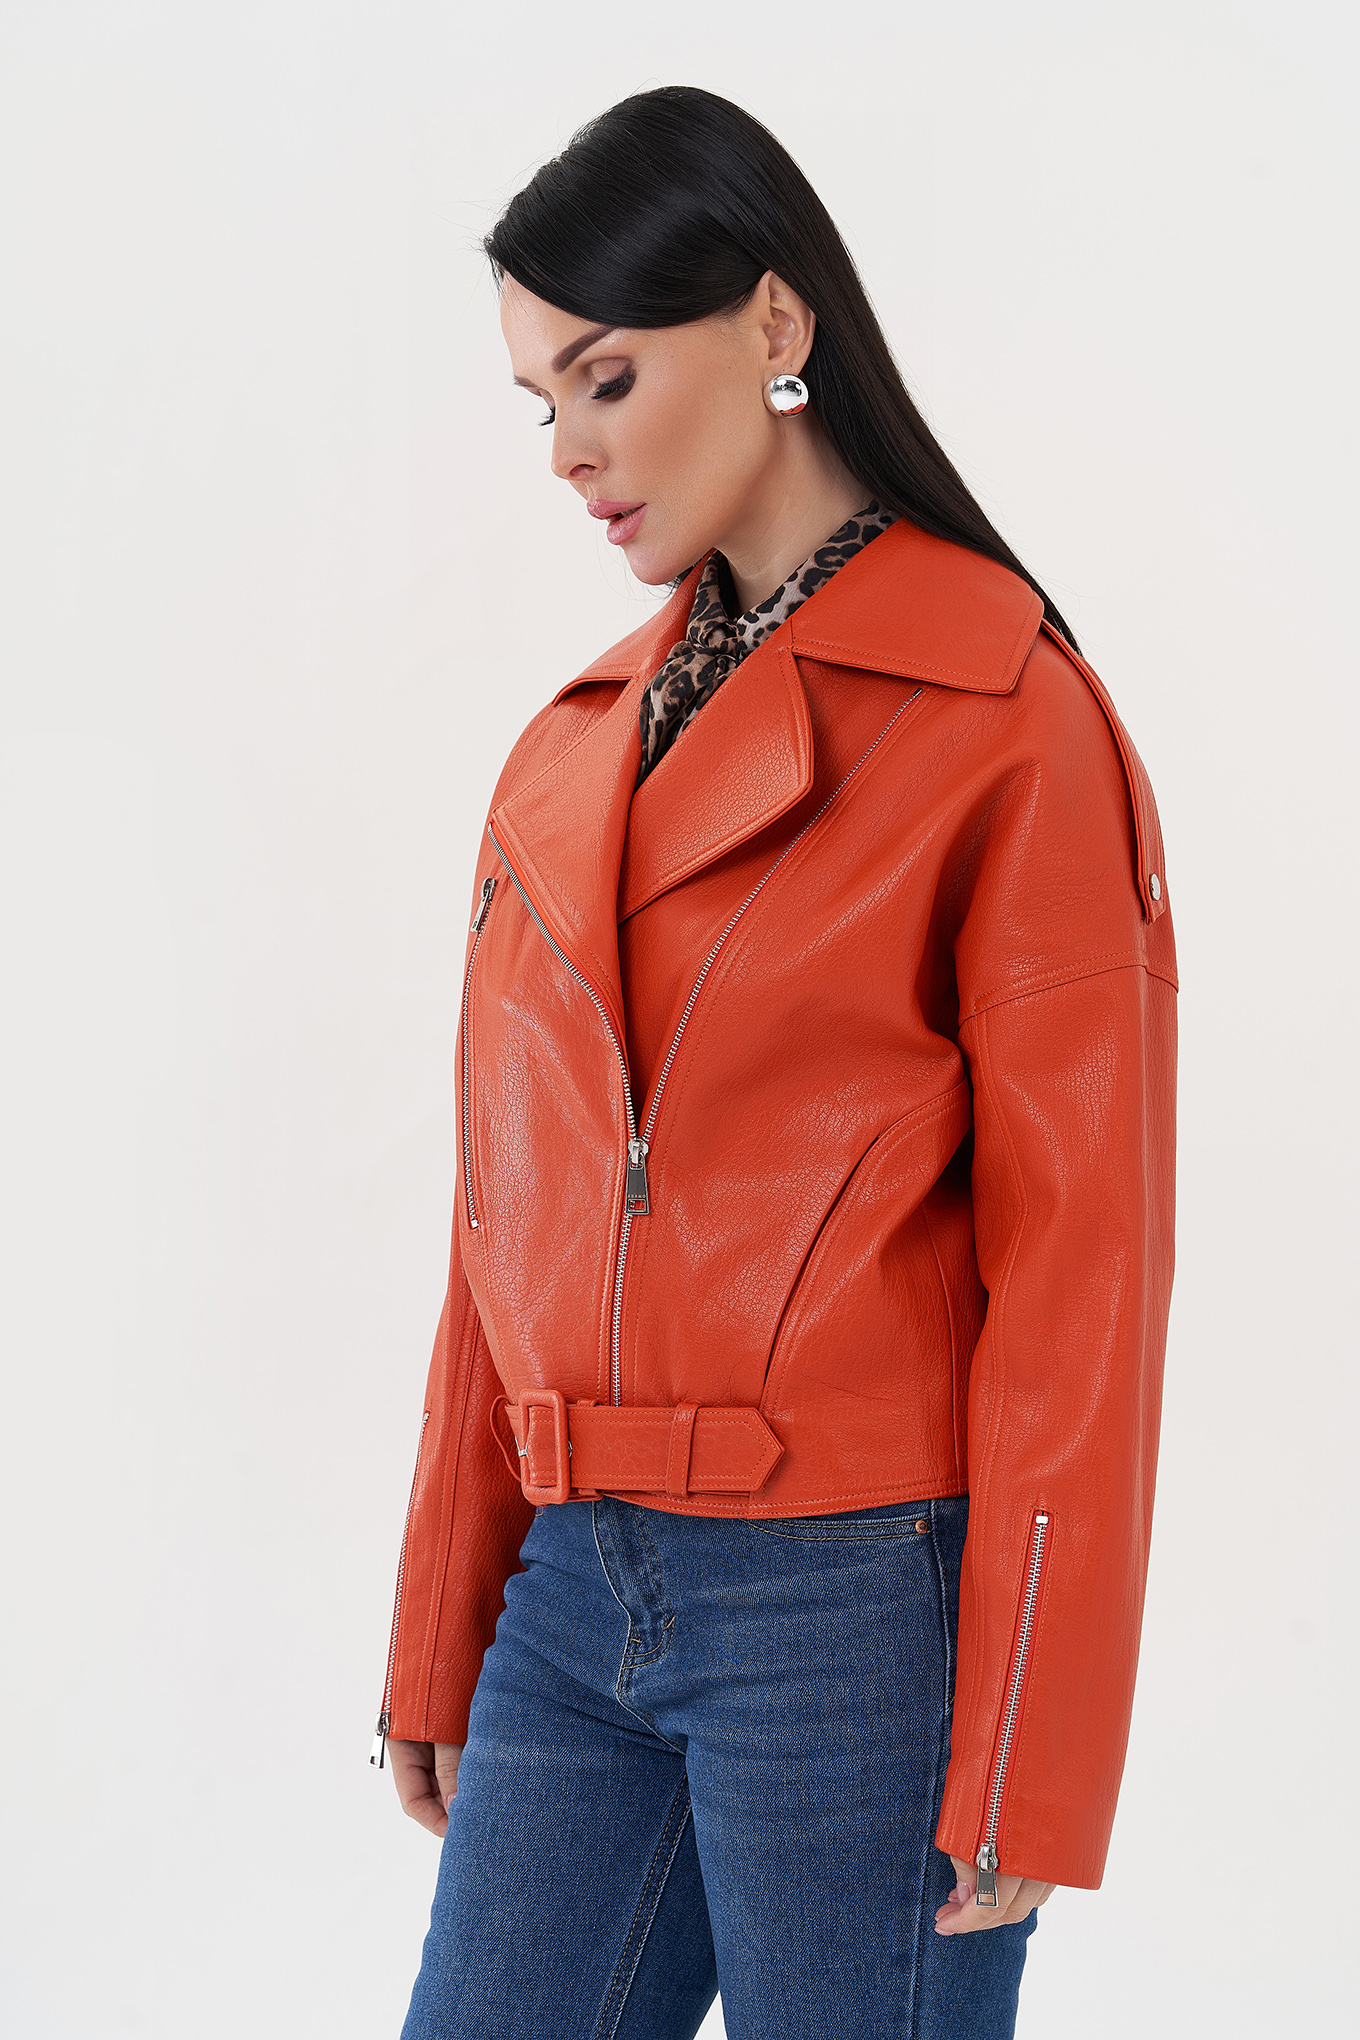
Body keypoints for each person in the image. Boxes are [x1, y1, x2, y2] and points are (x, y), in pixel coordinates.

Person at [372, 85, 1177, 2040]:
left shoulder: (1003, 717)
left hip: (855, 1611)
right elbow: (505, 1219)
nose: (569, 452)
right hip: (573, 1592)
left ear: (775, 325)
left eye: (606, 377)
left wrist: (1030, 1735)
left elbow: (1081, 1270)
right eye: (538, 403)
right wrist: (442, 1619)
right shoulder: (569, 748)